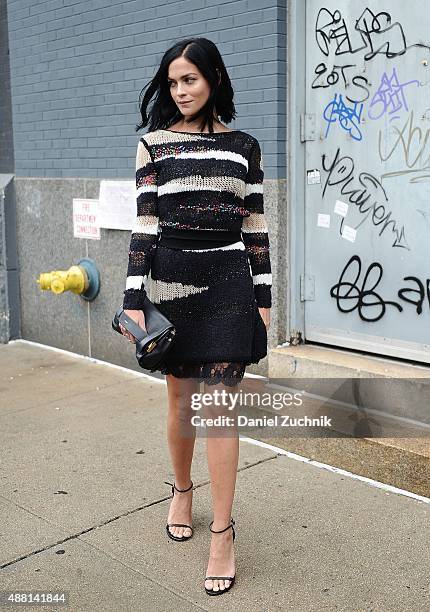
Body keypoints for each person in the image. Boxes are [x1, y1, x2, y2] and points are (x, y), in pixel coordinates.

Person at [119, 37, 272, 596]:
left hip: (230, 284)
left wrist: (264, 297)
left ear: (214, 78)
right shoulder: (153, 146)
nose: (180, 91)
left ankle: (223, 532)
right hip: (172, 283)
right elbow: (144, 227)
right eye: (173, 82)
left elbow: (255, 227)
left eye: (190, 79)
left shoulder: (244, 146)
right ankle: (182, 489)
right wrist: (134, 297)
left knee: (219, 410)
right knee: (182, 401)